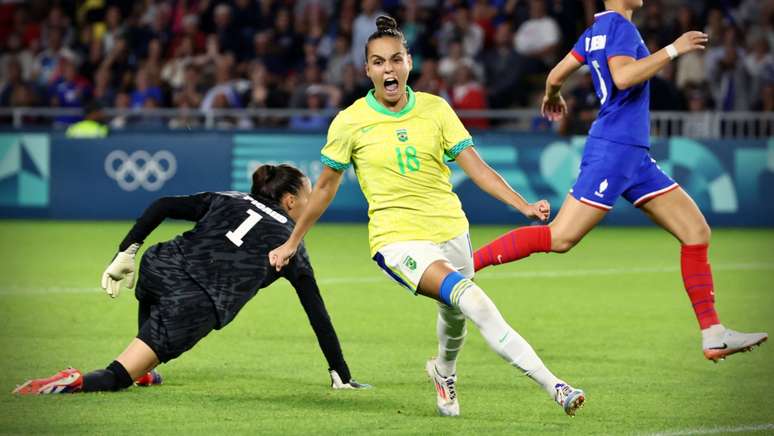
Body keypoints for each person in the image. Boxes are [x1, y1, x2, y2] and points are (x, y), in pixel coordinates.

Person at [269, 16, 585, 418]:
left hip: (451, 229)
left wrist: (521, 205)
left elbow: (477, 167)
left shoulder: (436, 110)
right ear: (367, 69)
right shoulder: (350, 122)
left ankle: (443, 370)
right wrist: (292, 241)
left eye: (396, 59)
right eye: (379, 62)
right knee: (475, 302)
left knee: (456, 320)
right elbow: (326, 187)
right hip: (397, 240)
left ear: (409, 62)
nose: (389, 69)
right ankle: (555, 385)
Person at [473, 0, 767, 362]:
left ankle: (713, 334)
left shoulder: (596, 31)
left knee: (696, 231)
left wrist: (553, 97)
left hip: (633, 156)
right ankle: (466, 266)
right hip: (614, 150)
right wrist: (674, 49)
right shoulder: (620, 28)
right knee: (560, 237)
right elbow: (624, 77)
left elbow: (553, 76)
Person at [13, 164, 368, 395]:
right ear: (290, 201)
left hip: (158, 264)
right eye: (309, 195)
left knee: (153, 296)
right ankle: (70, 381)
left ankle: (145, 371)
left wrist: (127, 251)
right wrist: (341, 372)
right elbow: (317, 313)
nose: (314, 203)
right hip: (193, 304)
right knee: (114, 377)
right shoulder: (291, 244)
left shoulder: (229, 197)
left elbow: (163, 205)